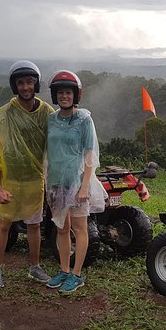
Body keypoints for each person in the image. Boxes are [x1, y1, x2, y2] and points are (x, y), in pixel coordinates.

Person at [0, 60, 55, 288]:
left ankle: (34, 268)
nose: (25, 87)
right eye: (20, 83)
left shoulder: (46, 113)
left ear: (36, 84)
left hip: (34, 179)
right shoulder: (5, 115)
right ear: (15, 86)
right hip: (10, 180)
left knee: (34, 225)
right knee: (4, 224)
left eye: (29, 82)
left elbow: (58, 141)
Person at [44, 70, 105, 293]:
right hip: (55, 182)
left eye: (68, 92)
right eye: (60, 92)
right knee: (61, 228)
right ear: (55, 95)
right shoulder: (51, 119)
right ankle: (63, 270)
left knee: (79, 228)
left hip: (77, 182)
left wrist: (85, 185)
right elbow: (47, 152)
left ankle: (77, 274)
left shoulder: (84, 120)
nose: (64, 96)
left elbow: (90, 155)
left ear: (75, 95)